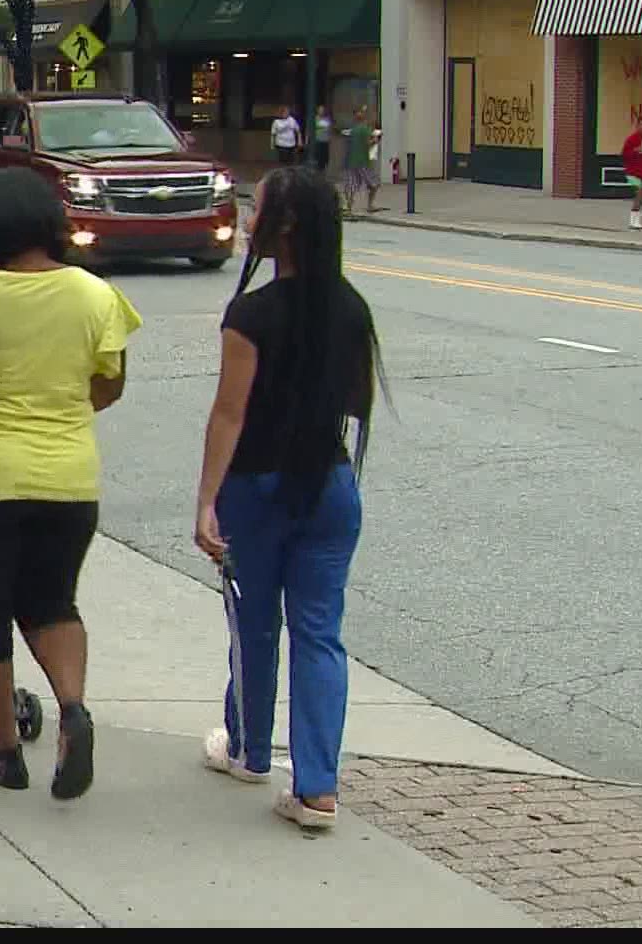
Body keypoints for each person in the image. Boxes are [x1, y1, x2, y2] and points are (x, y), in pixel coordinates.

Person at [0, 167, 141, 799]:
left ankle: (6, 755)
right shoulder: (95, 296)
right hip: (67, 478)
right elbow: (109, 385)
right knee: (52, 603)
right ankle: (71, 708)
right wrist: (55, 408)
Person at [194, 165, 385, 831]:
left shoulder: (252, 314)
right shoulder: (352, 308)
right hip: (330, 485)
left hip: (258, 486)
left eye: (258, 209)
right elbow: (355, 403)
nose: (249, 221)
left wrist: (206, 501)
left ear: (287, 227)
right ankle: (318, 790)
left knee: (254, 625)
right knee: (319, 634)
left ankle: (249, 751)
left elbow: (229, 415)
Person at [340, 105, 379, 214]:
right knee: (374, 184)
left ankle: (348, 208)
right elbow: (368, 143)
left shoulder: (353, 130)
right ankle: (370, 206)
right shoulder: (365, 129)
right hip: (362, 162)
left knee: (351, 186)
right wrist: (375, 140)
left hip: (350, 162)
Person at [311, 105, 333, 171]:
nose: (321, 111)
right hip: (318, 139)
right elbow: (311, 129)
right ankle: (318, 168)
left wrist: (330, 137)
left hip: (326, 140)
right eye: (320, 110)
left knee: (325, 157)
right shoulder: (315, 118)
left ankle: (323, 169)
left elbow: (330, 129)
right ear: (318, 111)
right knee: (318, 156)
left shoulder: (327, 119)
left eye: (322, 110)